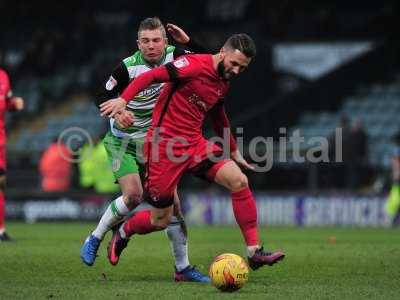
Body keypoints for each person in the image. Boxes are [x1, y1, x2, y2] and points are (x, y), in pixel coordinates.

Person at [100, 33, 285, 272]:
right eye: (235, 63)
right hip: (163, 148)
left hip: (195, 144)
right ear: (222, 52)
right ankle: (123, 231)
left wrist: (234, 151)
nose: (237, 70)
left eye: (243, 67)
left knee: (239, 180)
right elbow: (153, 75)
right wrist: (123, 100)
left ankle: (254, 252)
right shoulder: (193, 66)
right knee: (161, 220)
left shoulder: (223, 81)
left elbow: (219, 117)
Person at [80, 17, 209, 282]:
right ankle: (94, 237)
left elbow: (210, 62)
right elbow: (102, 97)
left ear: (165, 41)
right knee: (133, 196)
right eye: (146, 41)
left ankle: (182, 268)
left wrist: (190, 43)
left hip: (157, 144)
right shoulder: (126, 68)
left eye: (156, 40)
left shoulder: (177, 56)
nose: (151, 46)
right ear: (138, 43)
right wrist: (119, 112)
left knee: (174, 207)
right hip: (123, 141)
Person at [0, 67, 24, 241]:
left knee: (1, 184)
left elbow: (6, 103)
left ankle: (0, 230)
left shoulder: (3, 76)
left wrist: (14, 104)